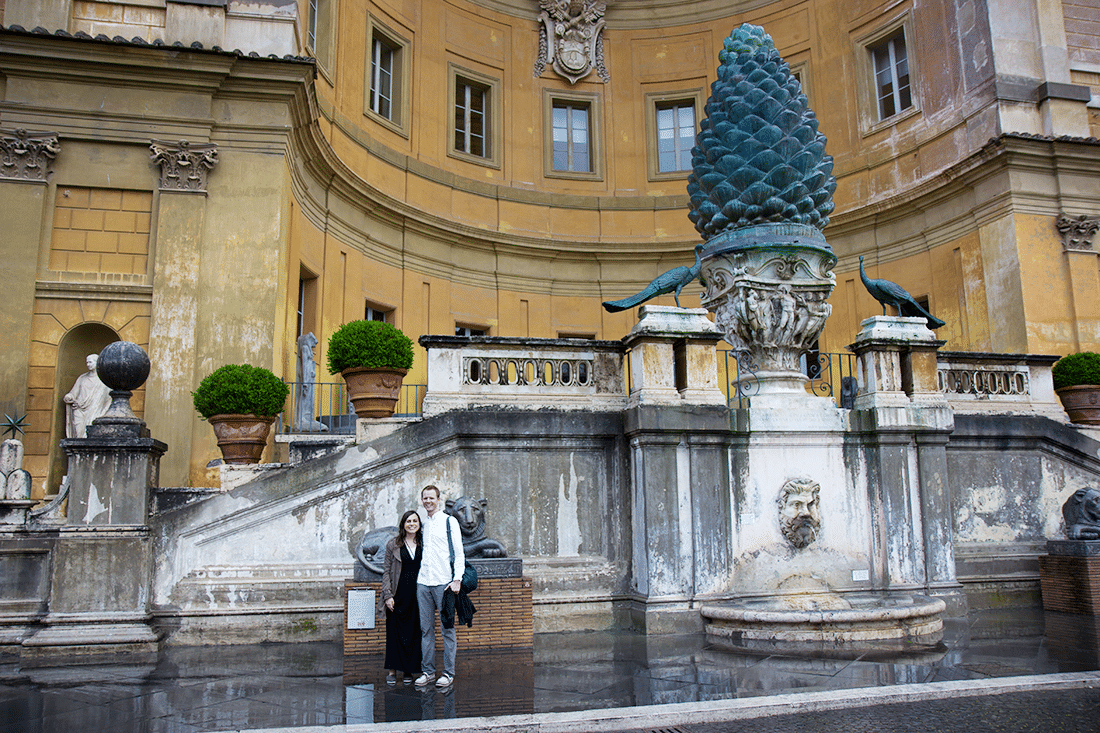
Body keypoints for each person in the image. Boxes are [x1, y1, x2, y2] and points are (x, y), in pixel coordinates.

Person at [414, 484, 464, 689]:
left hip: (444, 583)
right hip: (423, 582)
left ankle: (448, 672)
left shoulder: (450, 522)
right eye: (425, 498)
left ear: (438, 499)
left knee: (447, 630)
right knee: (426, 630)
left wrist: (457, 578)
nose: (428, 502)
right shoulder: (422, 524)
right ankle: (428, 671)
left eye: (431, 498)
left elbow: (459, 552)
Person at [382, 510, 423, 685]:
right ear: (403, 524)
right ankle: (392, 671)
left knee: (413, 634)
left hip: (418, 595)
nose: (412, 524)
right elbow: (386, 572)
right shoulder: (393, 544)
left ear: (419, 524)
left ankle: (408, 671)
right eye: (408, 521)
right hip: (397, 595)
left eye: (415, 521)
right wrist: (387, 595)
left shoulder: (424, 543)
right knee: (394, 633)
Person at [64, 353, 111, 439]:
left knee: (91, 434)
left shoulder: (104, 380)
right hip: (79, 409)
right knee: (79, 435)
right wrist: (69, 397)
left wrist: (103, 413)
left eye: (90, 362)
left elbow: (109, 399)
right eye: (87, 363)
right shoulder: (82, 378)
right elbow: (73, 393)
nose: (88, 365)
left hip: (95, 410)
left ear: (97, 363)